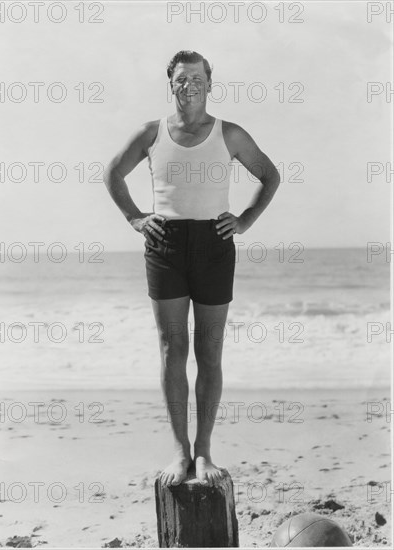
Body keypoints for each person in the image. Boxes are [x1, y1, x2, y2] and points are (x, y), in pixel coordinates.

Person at [104, 50, 280, 487]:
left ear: (209, 83)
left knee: (210, 351)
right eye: (182, 79)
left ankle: (204, 451)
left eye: (197, 78)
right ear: (172, 84)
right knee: (172, 348)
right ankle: (180, 451)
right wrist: (135, 218)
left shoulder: (230, 133)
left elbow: (270, 176)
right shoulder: (151, 133)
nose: (190, 85)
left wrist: (244, 220)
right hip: (164, 243)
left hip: (214, 245)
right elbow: (112, 174)